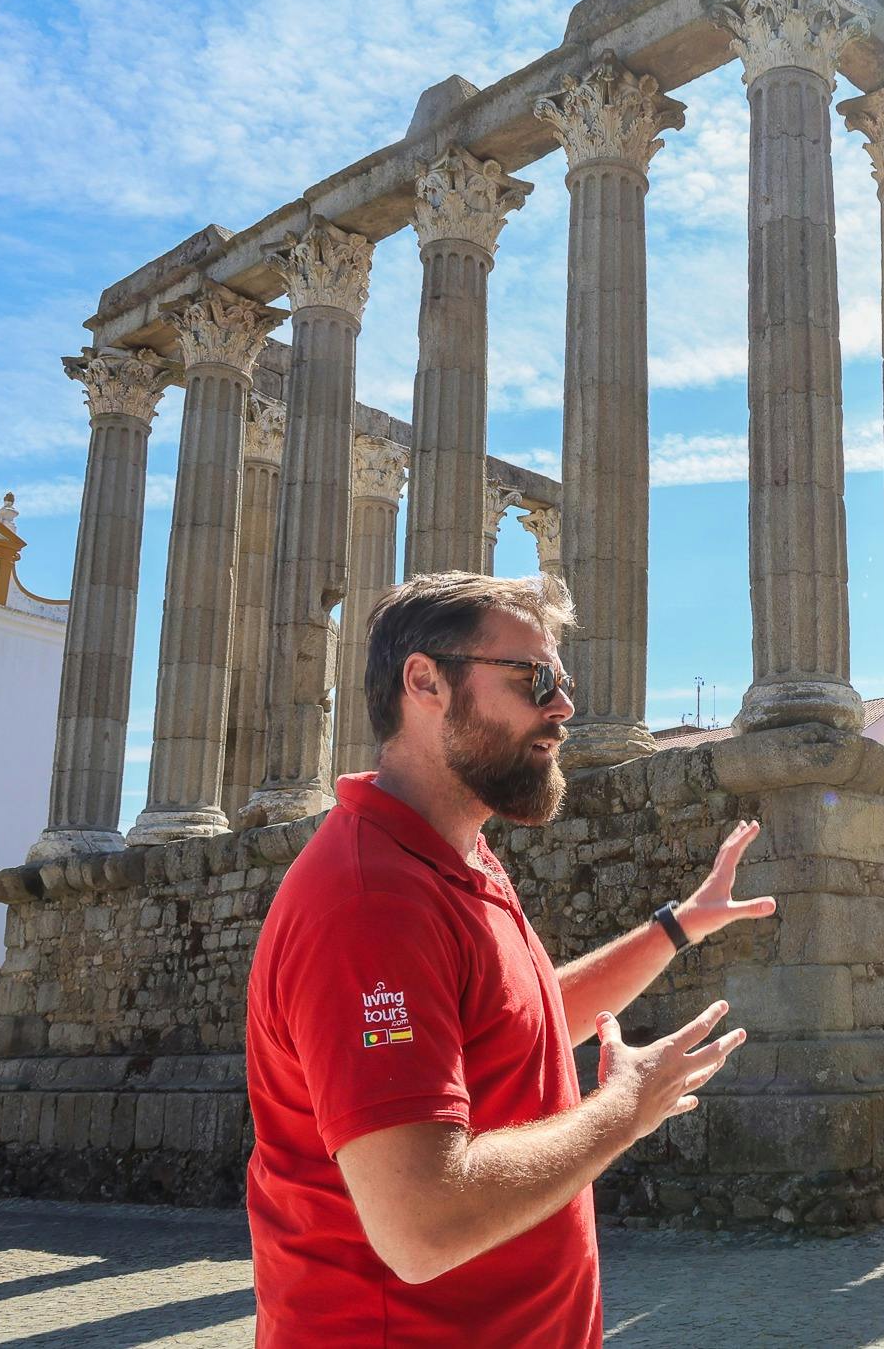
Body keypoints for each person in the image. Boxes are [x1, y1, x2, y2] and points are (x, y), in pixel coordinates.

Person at [245, 572, 775, 1347]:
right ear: (424, 680)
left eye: (561, 680)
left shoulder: (459, 855)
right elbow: (421, 1223)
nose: (562, 707)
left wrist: (677, 925)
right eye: (535, 679)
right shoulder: (368, 902)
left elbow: (518, 1020)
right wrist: (625, 1109)